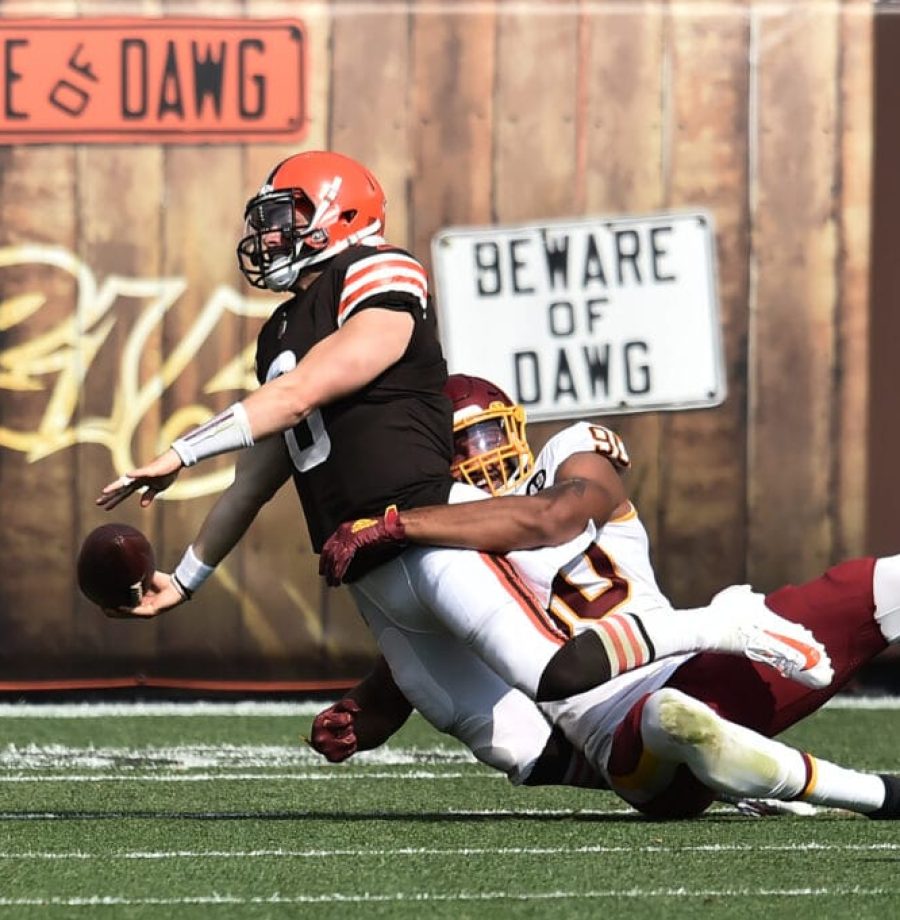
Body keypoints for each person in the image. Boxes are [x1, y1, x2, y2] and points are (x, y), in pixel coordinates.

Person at [97, 150, 827, 713]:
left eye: (284, 214)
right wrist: (185, 582)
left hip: (426, 526)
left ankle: (720, 622)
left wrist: (178, 452)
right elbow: (260, 472)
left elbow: (304, 394)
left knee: (549, 672)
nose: (267, 233)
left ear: (339, 216)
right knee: (513, 748)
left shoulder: (380, 272)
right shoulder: (282, 327)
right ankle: (698, 771)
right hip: (360, 566)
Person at [310, 373, 900, 820]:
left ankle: (737, 769)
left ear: (516, 427)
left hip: (695, 664)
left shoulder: (567, 461)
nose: (479, 458)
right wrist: (362, 713)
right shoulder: (445, 557)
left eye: (486, 436)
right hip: (620, 731)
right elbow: (414, 670)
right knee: (672, 720)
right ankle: (878, 795)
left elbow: (553, 517)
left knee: (881, 584)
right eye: (459, 449)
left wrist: (399, 525)